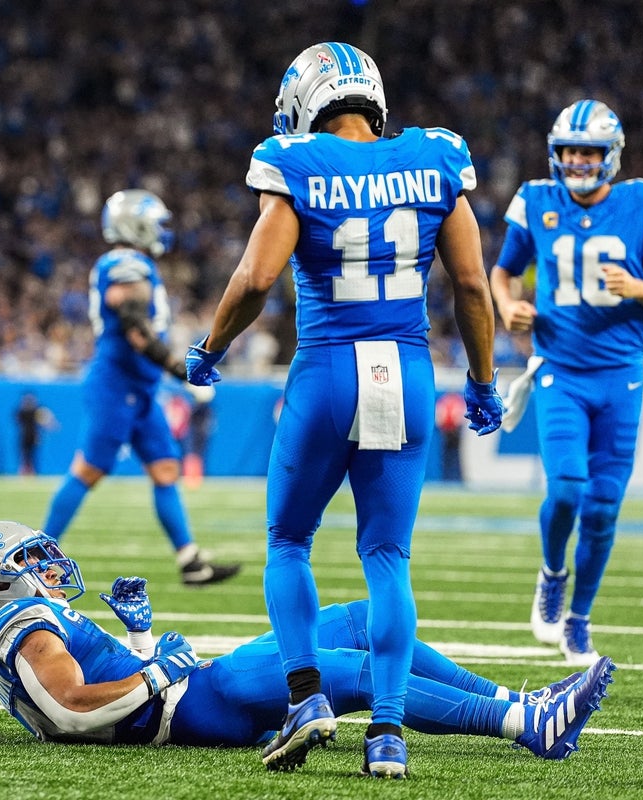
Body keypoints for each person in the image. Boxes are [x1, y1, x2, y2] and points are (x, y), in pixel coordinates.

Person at [182, 42, 503, 776]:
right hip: (407, 371)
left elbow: (258, 276)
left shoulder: (293, 159)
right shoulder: (434, 155)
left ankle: (305, 697)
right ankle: (387, 734)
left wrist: (210, 347)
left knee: (288, 540)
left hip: (328, 370)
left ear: (306, 101)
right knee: (387, 557)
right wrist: (482, 384)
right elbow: (474, 287)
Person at [0, 521, 615, 768]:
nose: (48, 567)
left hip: (191, 693)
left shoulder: (30, 624)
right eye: (29, 560)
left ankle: (519, 701)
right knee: (346, 668)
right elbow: (71, 712)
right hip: (195, 703)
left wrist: (141, 637)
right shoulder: (19, 625)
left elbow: (93, 696)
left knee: (356, 620)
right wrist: (158, 673)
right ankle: (526, 723)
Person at [490, 99, 643, 666]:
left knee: (603, 508)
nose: (577, 162)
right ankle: (552, 573)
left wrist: (637, 287)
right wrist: (508, 306)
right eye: (570, 151)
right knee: (568, 490)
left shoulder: (641, 201)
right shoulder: (538, 200)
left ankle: (579, 618)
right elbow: (502, 272)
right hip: (560, 371)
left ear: (611, 156)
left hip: (621, 377)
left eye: (588, 152)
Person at [42, 189, 238, 586]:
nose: (163, 231)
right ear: (135, 224)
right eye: (156, 223)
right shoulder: (123, 262)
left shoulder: (137, 263)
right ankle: (36, 553)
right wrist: (181, 369)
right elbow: (134, 322)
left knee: (166, 469)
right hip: (116, 385)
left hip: (141, 389)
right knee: (90, 469)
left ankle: (190, 561)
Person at [15, 392, 58, 476]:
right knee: (24, 456)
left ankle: (31, 472)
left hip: (33, 437)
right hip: (24, 437)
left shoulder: (37, 411)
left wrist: (50, 425)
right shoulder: (22, 412)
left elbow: (44, 422)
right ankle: (23, 472)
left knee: (32, 456)